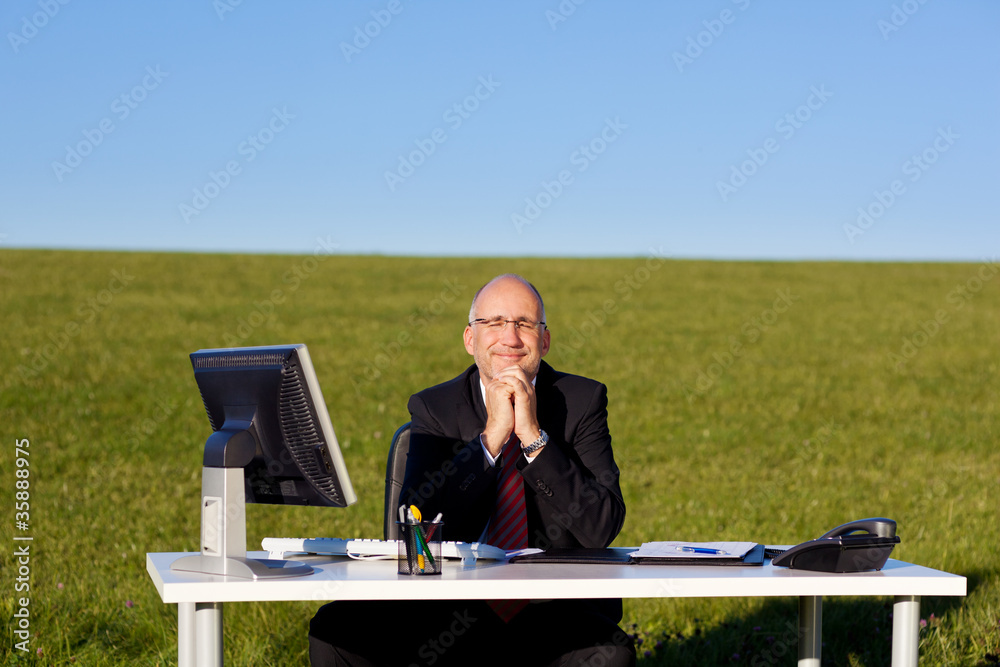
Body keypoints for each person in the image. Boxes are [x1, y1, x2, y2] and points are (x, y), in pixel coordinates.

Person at [309, 274, 634, 667]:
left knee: (609, 653)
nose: (510, 338)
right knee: (336, 630)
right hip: (447, 608)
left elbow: (602, 526)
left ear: (544, 341)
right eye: (494, 323)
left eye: (524, 324)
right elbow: (416, 529)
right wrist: (491, 440)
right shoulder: (435, 407)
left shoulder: (580, 401)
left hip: (554, 608)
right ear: (470, 339)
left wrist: (533, 436)